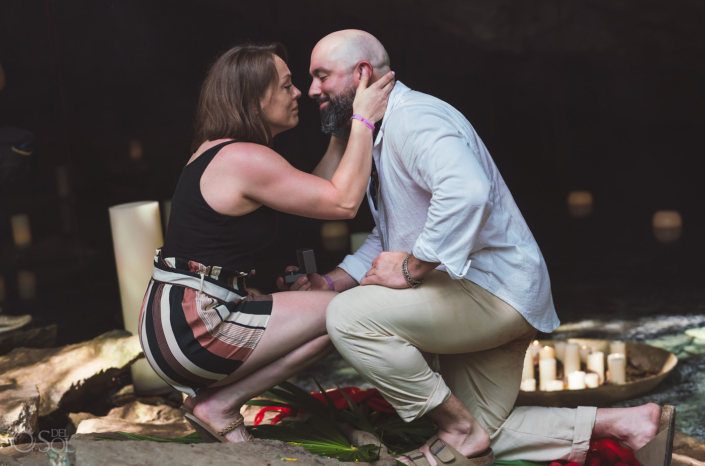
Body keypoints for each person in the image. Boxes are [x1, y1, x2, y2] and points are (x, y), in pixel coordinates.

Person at [279, 30, 673, 466]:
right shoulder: (385, 128)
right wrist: (333, 279)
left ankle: (457, 426)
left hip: (489, 293)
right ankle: (628, 423)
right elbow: (396, 228)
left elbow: (467, 192)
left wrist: (412, 268)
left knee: (348, 316)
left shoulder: (416, 118)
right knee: (481, 436)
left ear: (363, 73)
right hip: (496, 295)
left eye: (321, 76)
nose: (312, 89)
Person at [138, 41, 395, 443]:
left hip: (173, 321)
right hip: (193, 327)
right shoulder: (243, 159)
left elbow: (317, 193)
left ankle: (216, 403)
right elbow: (343, 202)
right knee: (349, 312)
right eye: (286, 85)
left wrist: (341, 127)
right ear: (255, 100)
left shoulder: (224, 152)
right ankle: (219, 405)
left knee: (337, 311)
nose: (299, 94)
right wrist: (363, 120)